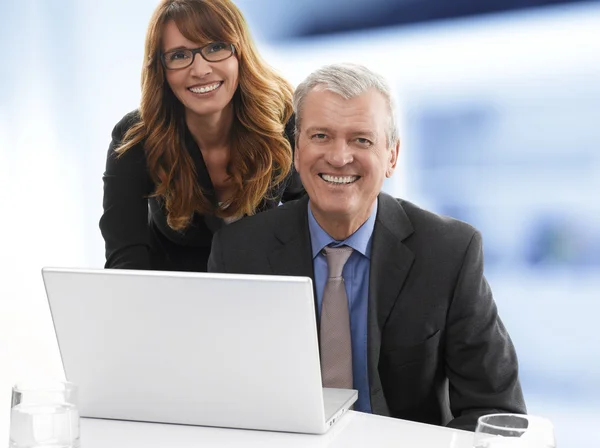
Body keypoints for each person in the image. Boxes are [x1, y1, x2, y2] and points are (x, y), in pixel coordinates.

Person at [208, 63, 526, 430]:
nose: (339, 157)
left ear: (391, 155)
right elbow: (221, 398)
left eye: (361, 139)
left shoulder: (449, 252)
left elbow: (497, 413)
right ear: (296, 151)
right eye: (321, 136)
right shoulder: (238, 253)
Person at [100, 0, 304, 272]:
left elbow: (308, 222)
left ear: (239, 53)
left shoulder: (282, 119)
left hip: (263, 293)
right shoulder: (135, 137)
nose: (200, 70)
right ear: (161, 69)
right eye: (179, 55)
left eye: (215, 48)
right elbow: (124, 259)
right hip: (174, 299)